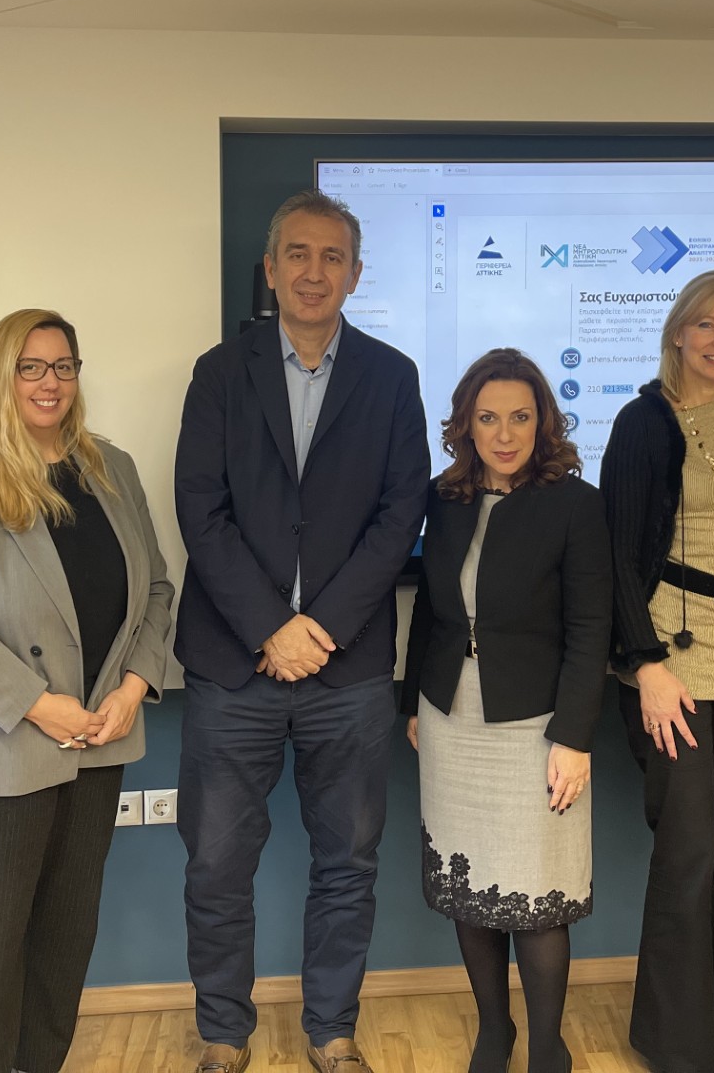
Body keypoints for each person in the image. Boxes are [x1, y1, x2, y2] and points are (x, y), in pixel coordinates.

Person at [174, 190, 430, 1073]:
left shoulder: (393, 377)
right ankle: (222, 1035)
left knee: (347, 864)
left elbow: (401, 516)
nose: (314, 272)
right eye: (298, 254)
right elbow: (199, 514)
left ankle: (332, 1030)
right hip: (231, 663)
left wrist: (316, 626)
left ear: (356, 274)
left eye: (332, 257)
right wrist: (270, 629)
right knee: (214, 865)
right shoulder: (219, 372)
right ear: (271, 267)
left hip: (347, 666)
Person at [0, 308, 176, 1073]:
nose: (50, 382)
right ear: (0, 375)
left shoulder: (110, 469)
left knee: (62, 948)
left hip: (96, 745)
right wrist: (37, 703)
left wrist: (133, 685)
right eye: (31, 366)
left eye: (64, 365)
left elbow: (155, 588)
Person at [401, 349, 613, 1073]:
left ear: (544, 421)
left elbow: (592, 628)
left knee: (537, 897)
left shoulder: (577, 505)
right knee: (472, 888)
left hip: (536, 726)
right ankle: (496, 1031)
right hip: (450, 721)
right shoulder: (444, 498)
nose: (505, 433)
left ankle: (547, 1044)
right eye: (488, 417)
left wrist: (574, 735)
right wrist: (412, 706)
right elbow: (431, 611)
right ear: (465, 424)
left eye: (521, 416)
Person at [600, 269, 714, 1073]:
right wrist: (642, 664)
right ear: (678, 329)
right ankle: (677, 1050)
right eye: (707, 325)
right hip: (674, 659)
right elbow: (614, 555)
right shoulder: (644, 423)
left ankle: (712, 1036)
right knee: (688, 851)